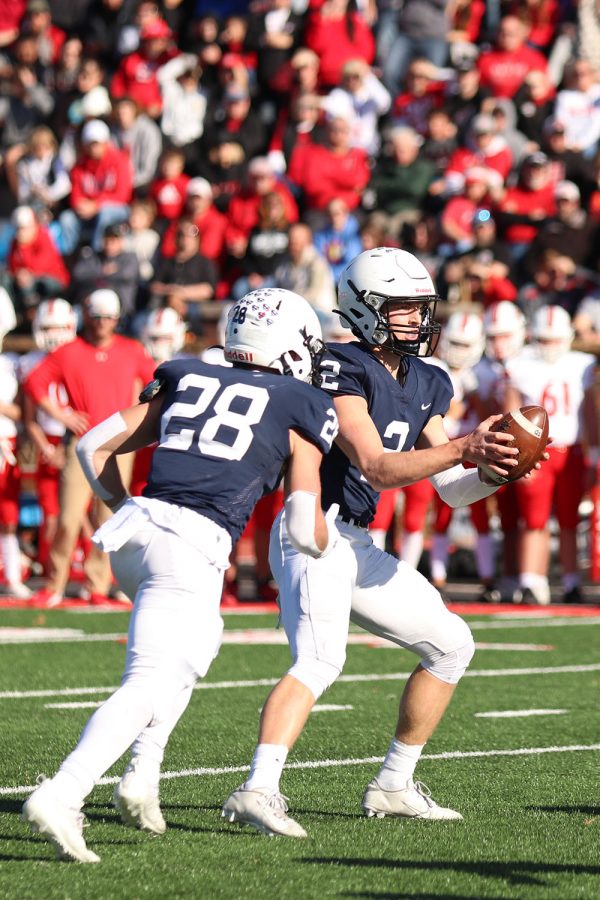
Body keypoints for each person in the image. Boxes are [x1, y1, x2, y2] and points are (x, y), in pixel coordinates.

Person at [222, 247, 534, 839]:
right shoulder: (337, 365)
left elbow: (451, 490)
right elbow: (379, 465)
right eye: (403, 309)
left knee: (451, 644)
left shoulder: (429, 380)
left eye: (422, 308)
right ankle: (257, 788)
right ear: (363, 310)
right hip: (312, 530)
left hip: (357, 542)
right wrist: (467, 446)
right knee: (319, 660)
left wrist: (496, 469)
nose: (418, 320)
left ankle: (394, 784)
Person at [21, 287, 340, 863]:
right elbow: (299, 527)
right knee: (149, 679)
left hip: (138, 533)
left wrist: (123, 508)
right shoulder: (302, 401)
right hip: (190, 542)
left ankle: (143, 775)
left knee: (196, 645)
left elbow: (93, 444)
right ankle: (65, 791)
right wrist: (330, 537)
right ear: (293, 345)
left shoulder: (187, 373)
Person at [25, 289, 155, 608]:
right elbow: (34, 383)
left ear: (116, 319)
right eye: (96, 318)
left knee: (109, 517)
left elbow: (156, 384)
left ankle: (98, 583)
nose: (101, 324)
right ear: (87, 317)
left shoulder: (132, 350)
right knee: (68, 515)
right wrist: (61, 414)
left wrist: (139, 417)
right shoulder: (70, 351)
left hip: (120, 445)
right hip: (81, 444)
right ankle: (56, 582)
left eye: (107, 318)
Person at [504, 304, 598, 605]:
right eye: (544, 339)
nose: (550, 346)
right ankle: (531, 581)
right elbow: (510, 415)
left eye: (555, 339)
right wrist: (516, 455)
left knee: (570, 520)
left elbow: (588, 412)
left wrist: (593, 452)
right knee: (534, 520)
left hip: (571, 452)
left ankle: (571, 582)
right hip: (537, 452)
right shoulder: (520, 364)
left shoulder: (581, 364)